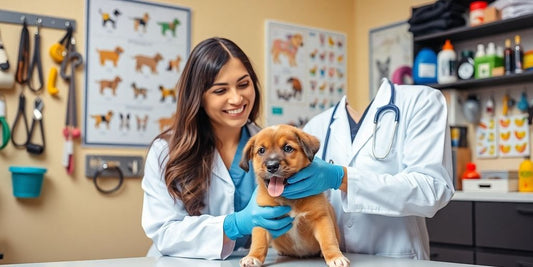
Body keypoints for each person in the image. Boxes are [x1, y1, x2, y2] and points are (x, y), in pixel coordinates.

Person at [141, 37, 294, 259]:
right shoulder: (165, 151)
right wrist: (234, 225)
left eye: (243, 84)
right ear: (199, 97)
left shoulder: (269, 147)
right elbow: (164, 232)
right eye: (220, 91)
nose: (237, 98)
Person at [281, 78, 455, 260]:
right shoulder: (317, 126)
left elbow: (431, 188)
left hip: (397, 257)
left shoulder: (420, 101)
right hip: (334, 258)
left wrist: (343, 178)